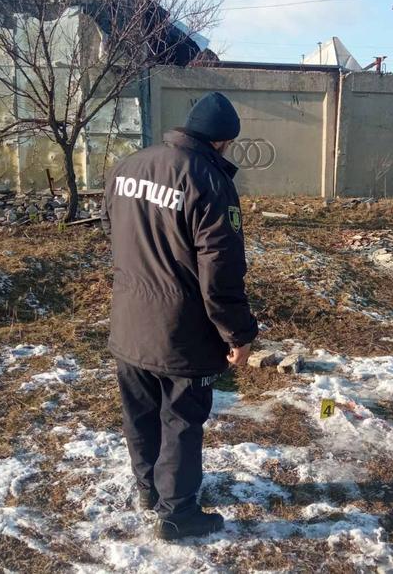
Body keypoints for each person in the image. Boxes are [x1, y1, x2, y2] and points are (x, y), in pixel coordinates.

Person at [101, 92, 258, 541]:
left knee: (141, 414)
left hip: (129, 322)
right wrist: (238, 332)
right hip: (181, 331)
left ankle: (149, 490)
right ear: (223, 142)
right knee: (181, 421)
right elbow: (220, 271)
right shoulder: (208, 180)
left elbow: (114, 230)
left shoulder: (128, 166)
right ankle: (178, 514)